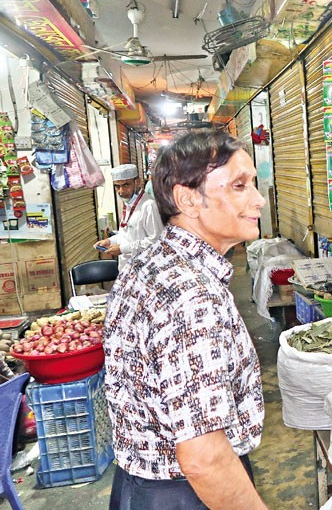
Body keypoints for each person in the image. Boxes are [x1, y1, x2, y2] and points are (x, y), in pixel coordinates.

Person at [104, 131, 268, 509]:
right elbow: (204, 457)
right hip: (185, 495)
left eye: (253, 185)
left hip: (139, 487)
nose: (258, 200)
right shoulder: (192, 296)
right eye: (240, 186)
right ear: (188, 199)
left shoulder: (155, 263)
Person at [94, 164, 163, 269]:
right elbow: (127, 235)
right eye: (117, 186)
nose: (121, 191)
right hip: (127, 269)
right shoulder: (128, 204)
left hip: (145, 269)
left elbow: (156, 241)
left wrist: (123, 249)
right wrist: (109, 241)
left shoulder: (149, 205)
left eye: (126, 185)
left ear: (137, 182)